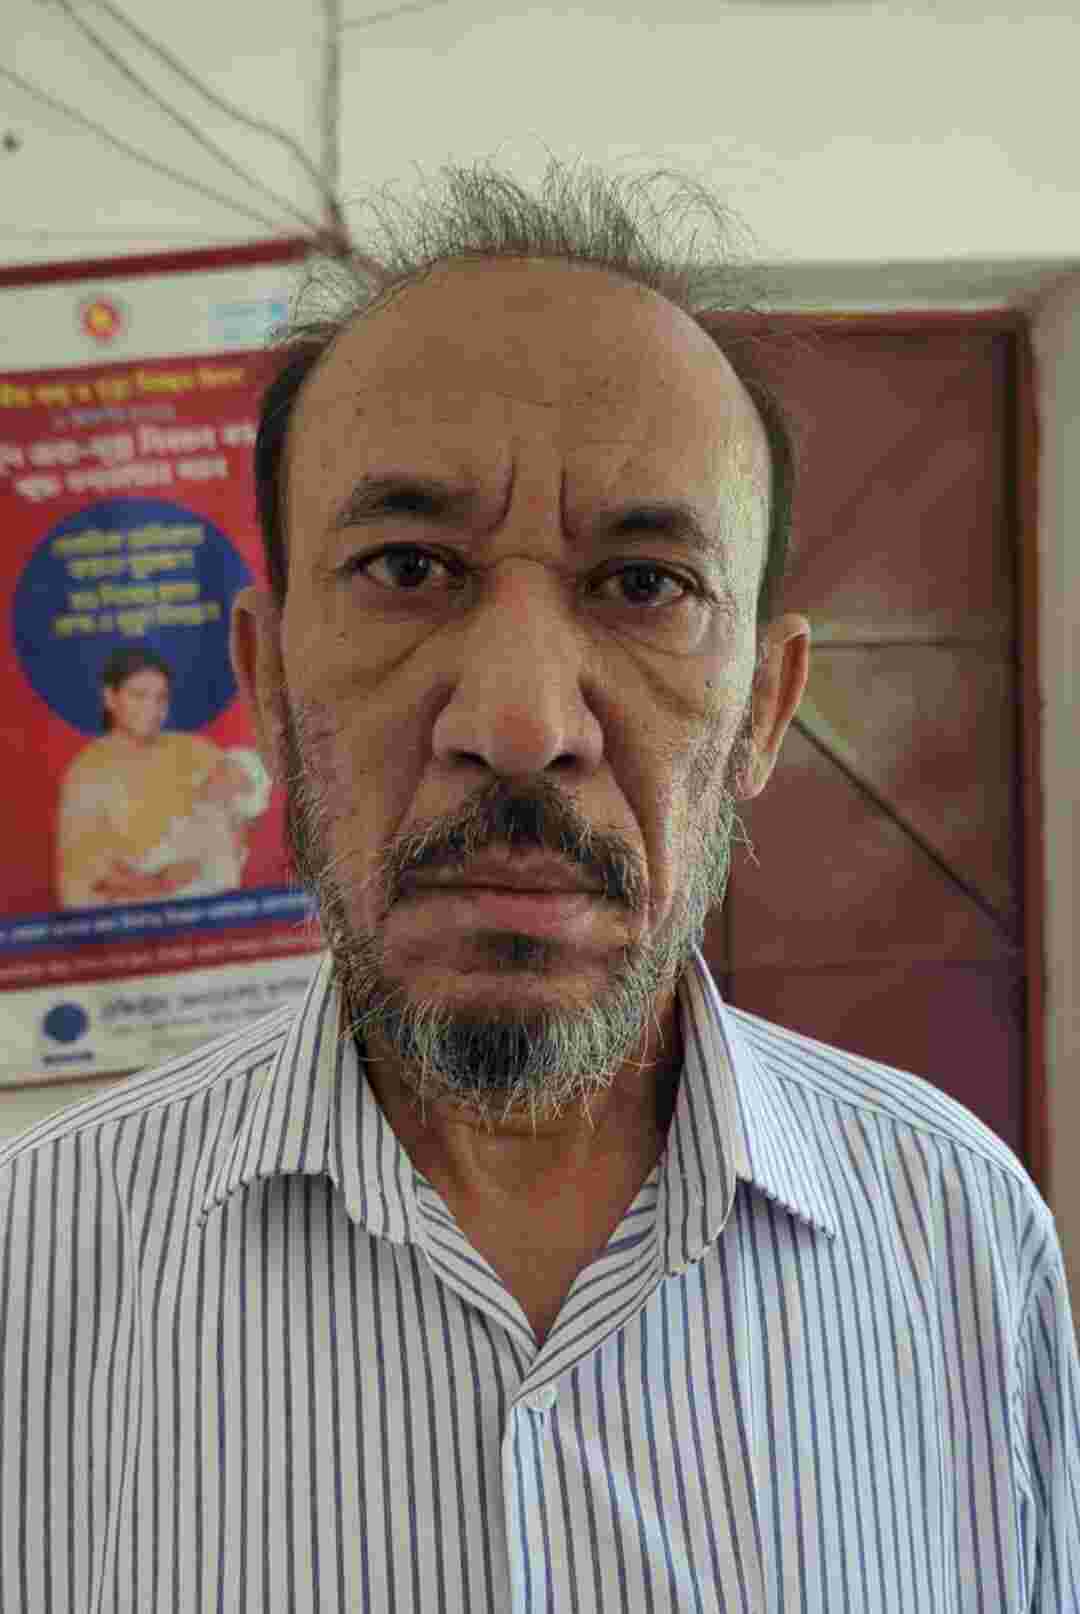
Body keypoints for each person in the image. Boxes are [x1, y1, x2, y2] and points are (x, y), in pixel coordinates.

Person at [1, 159, 1076, 1613]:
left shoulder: (962, 1238)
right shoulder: (34, 1268)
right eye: (407, 566)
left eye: (644, 586)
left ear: (764, 710)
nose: (519, 722)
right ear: (263, 681)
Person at [54, 646, 264, 906]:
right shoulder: (87, 771)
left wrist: (222, 842)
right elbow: (81, 878)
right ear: (110, 698)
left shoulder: (194, 749)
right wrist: (159, 883)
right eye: (139, 696)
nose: (152, 708)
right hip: (132, 913)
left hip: (208, 902)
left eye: (161, 698)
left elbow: (244, 802)